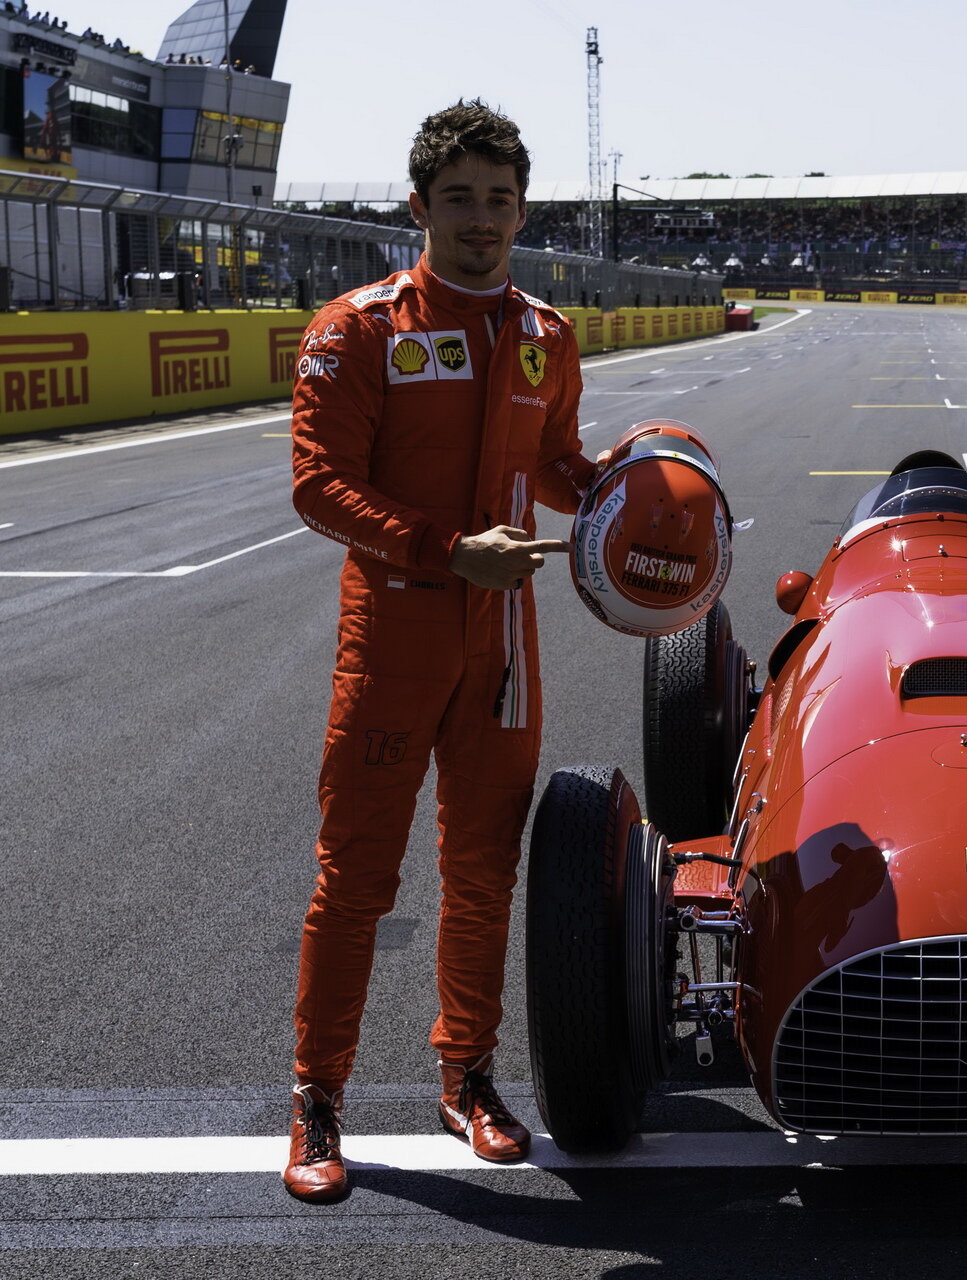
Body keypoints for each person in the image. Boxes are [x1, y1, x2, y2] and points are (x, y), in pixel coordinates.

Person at [282, 99, 595, 1202]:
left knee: (484, 872)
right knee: (356, 879)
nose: (480, 219)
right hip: (398, 633)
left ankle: (466, 1073)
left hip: (504, 637)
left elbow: (556, 458)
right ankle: (318, 1094)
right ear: (418, 206)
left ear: (522, 208)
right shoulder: (356, 326)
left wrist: (619, 495)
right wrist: (447, 549)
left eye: (499, 199)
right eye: (458, 198)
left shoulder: (548, 334)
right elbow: (317, 485)